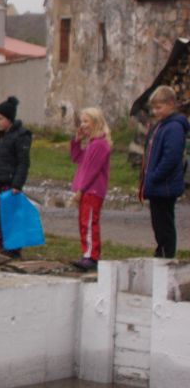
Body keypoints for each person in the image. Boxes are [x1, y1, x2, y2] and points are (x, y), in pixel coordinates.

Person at [139, 85, 188, 258]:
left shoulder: (174, 127)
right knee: (157, 222)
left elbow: (171, 157)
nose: (155, 111)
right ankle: (161, 250)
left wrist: (154, 176)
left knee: (164, 223)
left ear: (171, 104)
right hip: (156, 184)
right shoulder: (161, 126)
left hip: (164, 185)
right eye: (153, 107)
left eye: (159, 107)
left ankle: (167, 254)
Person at [0, 96, 32, 258]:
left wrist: (17, 184)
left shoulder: (20, 136)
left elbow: (23, 163)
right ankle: (0, 244)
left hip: (10, 184)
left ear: (9, 119)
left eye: (0, 119)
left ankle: (14, 248)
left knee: (11, 216)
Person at [70, 107, 112, 271]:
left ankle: (91, 256)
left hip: (92, 190)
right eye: (82, 121)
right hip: (87, 190)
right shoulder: (92, 144)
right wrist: (76, 142)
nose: (82, 125)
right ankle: (87, 253)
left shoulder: (100, 145)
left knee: (89, 222)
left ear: (96, 122)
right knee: (83, 222)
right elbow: (76, 158)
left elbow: (92, 171)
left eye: (86, 121)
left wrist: (81, 189)